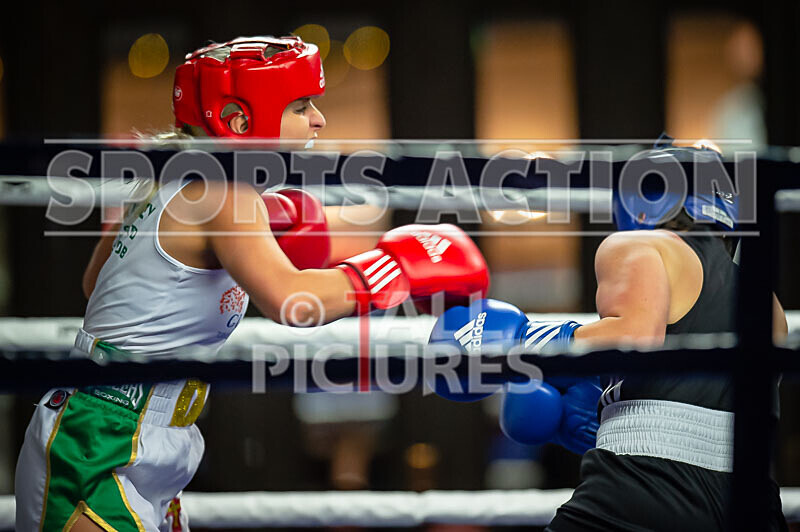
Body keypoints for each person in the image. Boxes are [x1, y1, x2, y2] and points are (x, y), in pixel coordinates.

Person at [15, 36, 490, 532]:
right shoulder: (223, 190)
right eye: (301, 105)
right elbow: (293, 301)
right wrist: (396, 266)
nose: (318, 120)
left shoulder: (167, 178)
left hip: (134, 426)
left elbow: (96, 283)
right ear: (240, 121)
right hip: (99, 438)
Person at [430, 139, 789, 530]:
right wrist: (606, 419)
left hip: (643, 491)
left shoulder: (639, 244)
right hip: (752, 501)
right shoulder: (768, 303)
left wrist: (521, 344)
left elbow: (634, 340)